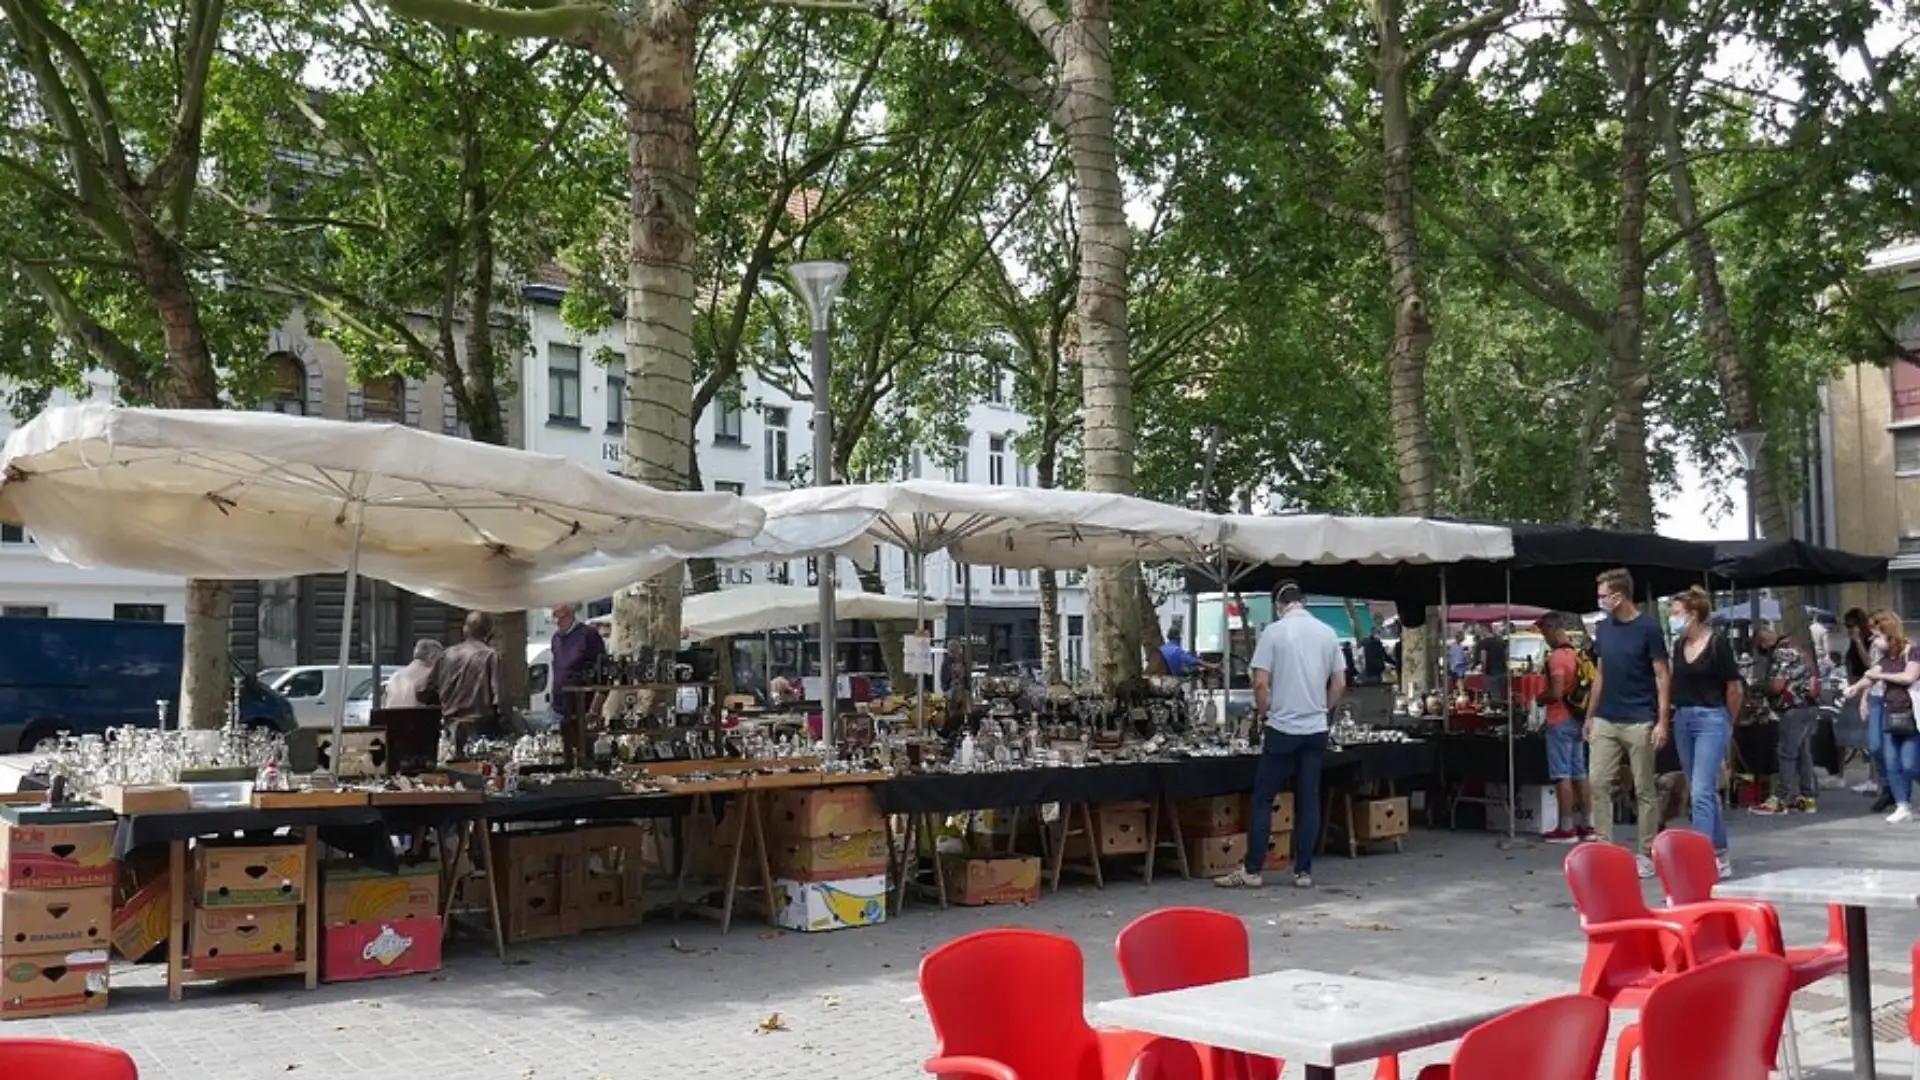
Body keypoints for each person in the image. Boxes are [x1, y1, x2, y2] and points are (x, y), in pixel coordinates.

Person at [1216, 580, 1343, 890]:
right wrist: (1322, 710)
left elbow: (1260, 682)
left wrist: (1264, 713)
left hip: (1282, 727)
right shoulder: (1327, 633)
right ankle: (1303, 871)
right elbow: (1339, 683)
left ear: (1278, 605)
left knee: (1263, 798)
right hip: (1315, 729)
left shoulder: (1273, 633)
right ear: (1304, 601)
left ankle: (1253, 869)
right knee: (1309, 798)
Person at [1585, 568, 1671, 878]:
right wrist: (1590, 714)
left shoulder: (1648, 629)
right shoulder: (1604, 630)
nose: (1600, 601)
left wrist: (1662, 720)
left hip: (1640, 719)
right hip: (1607, 716)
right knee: (1598, 781)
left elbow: (1662, 673)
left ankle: (1646, 851)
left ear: (1619, 596)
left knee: (1643, 787)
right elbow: (1601, 673)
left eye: (1604, 596)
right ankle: (1606, 847)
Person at [1666, 587, 1741, 875]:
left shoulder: (1717, 644)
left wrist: (1727, 722)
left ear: (1693, 614)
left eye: (1675, 613)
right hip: (1684, 717)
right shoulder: (1678, 646)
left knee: (1700, 791)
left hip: (1711, 717)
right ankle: (1720, 853)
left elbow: (1733, 687)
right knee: (1702, 790)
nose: (1672, 618)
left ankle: (1700, 857)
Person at [1535, 614, 1593, 844]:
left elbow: (1557, 693)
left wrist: (1541, 698)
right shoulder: (1577, 654)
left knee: (1562, 774)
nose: (1544, 638)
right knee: (1580, 772)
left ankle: (1566, 826)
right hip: (1579, 717)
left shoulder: (1557, 657)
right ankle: (1587, 825)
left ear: (1551, 629)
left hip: (1560, 719)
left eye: (1543, 632)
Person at [1750, 626, 1819, 815]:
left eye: (1761, 649)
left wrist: (1758, 686)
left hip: (1793, 709)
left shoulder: (1782, 653)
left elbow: (1777, 685)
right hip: (1808, 705)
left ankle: (1781, 798)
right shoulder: (1796, 646)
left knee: (1786, 753)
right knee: (1803, 753)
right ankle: (1808, 798)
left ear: (1764, 642)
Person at [1863, 611, 1920, 823]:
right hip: (1890, 713)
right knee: (1891, 760)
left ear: (1889, 634)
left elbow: (1908, 677)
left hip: (1910, 714)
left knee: (1909, 764)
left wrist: (1879, 676)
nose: (1874, 641)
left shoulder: (1912, 651)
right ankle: (1902, 805)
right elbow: (1869, 675)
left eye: (1877, 636)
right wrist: (1855, 689)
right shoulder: (1887, 658)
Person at [428, 610, 503, 754]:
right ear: (489, 633)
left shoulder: (446, 654)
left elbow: (428, 690)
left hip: (450, 726)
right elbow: (499, 699)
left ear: (465, 629)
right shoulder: (490, 656)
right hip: (480, 729)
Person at [1841, 607, 1892, 811]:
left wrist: (1859, 641)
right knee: (1874, 744)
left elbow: (1870, 665)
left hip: (1887, 698)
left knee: (1888, 747)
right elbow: (1869, 672)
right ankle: (1886, 785)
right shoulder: (1870, 643)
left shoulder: (1884, 643)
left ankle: (1885, 785)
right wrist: (1862, 695)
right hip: (1872, 694)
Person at [548, 603, 607, 731]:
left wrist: (594, 710)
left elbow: (604, 673)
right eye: (555, 617)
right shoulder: (556, 638)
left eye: (561, 617)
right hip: (558, 708)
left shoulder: (588, 635)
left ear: (571, 615)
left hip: (582, 709)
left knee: (583, 748)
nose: (557, 622)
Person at [384, 638, 442, 708]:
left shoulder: (395, 676)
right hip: (418, 717)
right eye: (440, 659)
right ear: (432, 656)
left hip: (391, 717)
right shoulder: (431, 675)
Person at [1475, 624, 1509, 709]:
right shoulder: (1500, 641)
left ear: (1484, 629)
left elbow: (1483, 659)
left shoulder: (1484, 643)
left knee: (1494, 699)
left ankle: (1495, 719)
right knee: (1501, 697)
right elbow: (1506, 656)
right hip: (1502, 672)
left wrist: (1483, 671)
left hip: (1491, 673)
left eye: (1478, 630)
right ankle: (1503, 717)